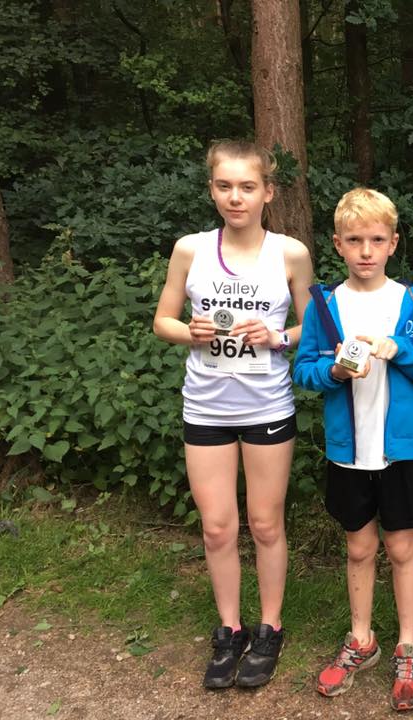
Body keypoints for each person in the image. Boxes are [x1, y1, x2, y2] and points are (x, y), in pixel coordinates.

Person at [153, 139, 312, 689]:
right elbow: (163, 321)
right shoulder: (190, 249)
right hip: (205, 407)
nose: (235, 197)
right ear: (212, 190)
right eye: (225, 186)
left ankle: (270, 628)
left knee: (265, 524)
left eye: (247, 187)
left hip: (267, 405)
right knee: (218, 527)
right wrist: (189, 331)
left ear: (269, 192)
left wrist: (276, 337)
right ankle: (230, 629)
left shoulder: (290, 253)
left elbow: (314, 329)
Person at [292, 188, 413, 712]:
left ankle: (408, 645)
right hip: (348, 453)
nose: (365, 251)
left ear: (393, 243)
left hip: (400, 452)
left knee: (401, 549)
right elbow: (304, 370)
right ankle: (362, 639)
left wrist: (399, 350)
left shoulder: (412, 302)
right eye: (354, 240)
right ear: (337, 244)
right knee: (359, 549)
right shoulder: (325, 304)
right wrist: (333, 371)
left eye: (377, 240)